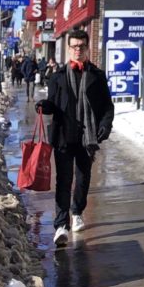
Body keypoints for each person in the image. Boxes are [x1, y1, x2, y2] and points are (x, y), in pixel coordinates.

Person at [35, 30, 114, 247]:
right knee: (63, 180)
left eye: (82, 46)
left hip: (87, 138)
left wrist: (105, 125)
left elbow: (107, 106)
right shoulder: (58, 76)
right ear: (69, 49)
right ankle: (61, 224)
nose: (78, 50)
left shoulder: (97, 76)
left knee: (82, 177)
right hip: (63, 135)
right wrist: (43, 105)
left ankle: (77, 211)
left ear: (88, 48)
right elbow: (52, 102)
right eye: (74, 46)